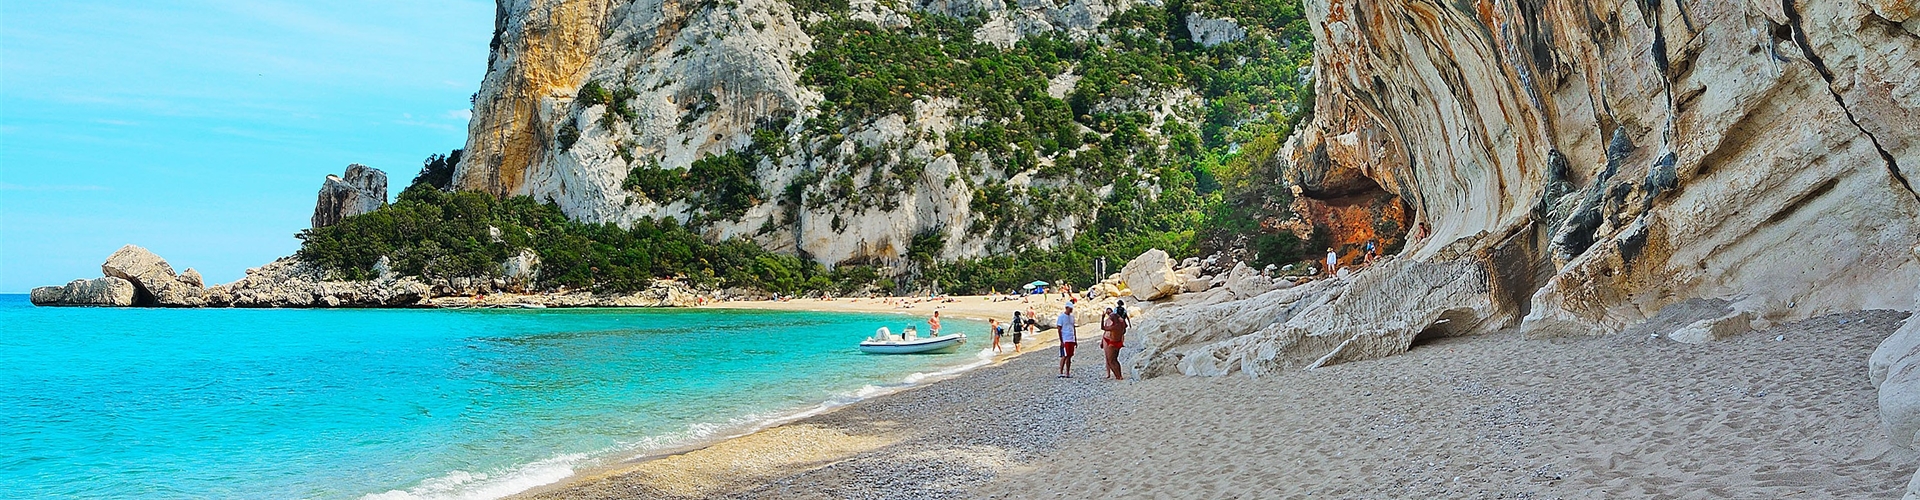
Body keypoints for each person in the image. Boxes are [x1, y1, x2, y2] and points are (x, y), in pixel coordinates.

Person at [1100, 302, 1130, 380]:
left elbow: (1103, 328)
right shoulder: (1121, 325)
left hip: (1112, 343)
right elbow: (1125, 325)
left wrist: (1102, 318)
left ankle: (1117, 376)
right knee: (1115, 360)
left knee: (1110, 361)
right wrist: (1120, 318)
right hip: (1119, 342)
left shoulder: (1113, 327)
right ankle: (1120, 375)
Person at [1057, 303, 1078, 378]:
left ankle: (1067, 372)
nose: (1071, 310)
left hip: (1071, 338)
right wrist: (1061, 341)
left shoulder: (1072, 317)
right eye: (1070, 309)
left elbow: (1073, 328)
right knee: (1064, 356)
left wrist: (1075, 339)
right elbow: (1059, 329)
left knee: (1069, 356)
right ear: (1066, 308)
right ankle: (1061, 372)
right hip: (1065, 338)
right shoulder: (1061, 317)